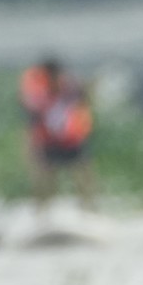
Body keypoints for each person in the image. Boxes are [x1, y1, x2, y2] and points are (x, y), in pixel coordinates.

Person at [20, 58, 98, 211]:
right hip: (49, 142)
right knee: (45, 179)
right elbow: (30, 124)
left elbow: (87, 99)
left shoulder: (70, 90)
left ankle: (89, 209)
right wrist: (29, 149)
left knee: (83, 176)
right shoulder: (39, 96)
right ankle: (42, 211)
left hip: (70, 140)